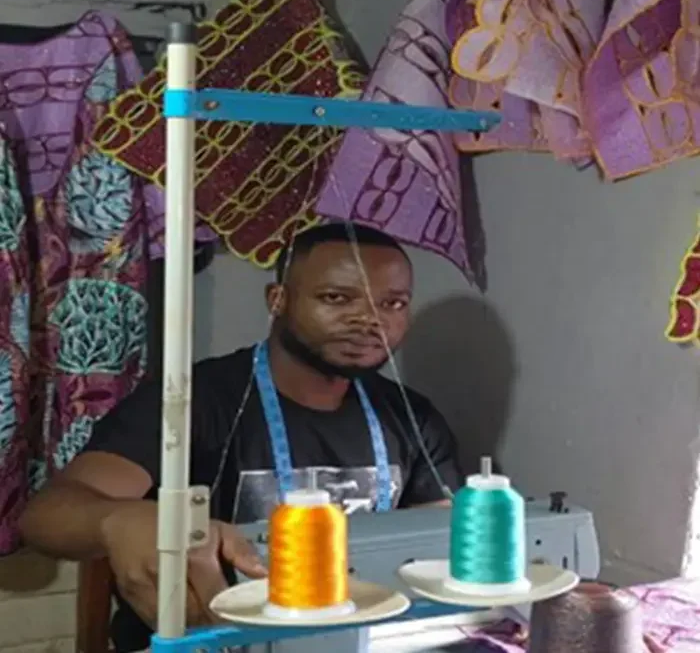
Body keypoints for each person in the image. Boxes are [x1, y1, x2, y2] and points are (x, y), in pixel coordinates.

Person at [18, 222, 462, 652]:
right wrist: (113, 520)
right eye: (336, 298)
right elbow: (46, 517)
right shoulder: (188, 403)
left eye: (393, 304)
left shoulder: (412, 417)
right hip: (214, 642)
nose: (370, 320)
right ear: (278, 300)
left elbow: (437, 546)